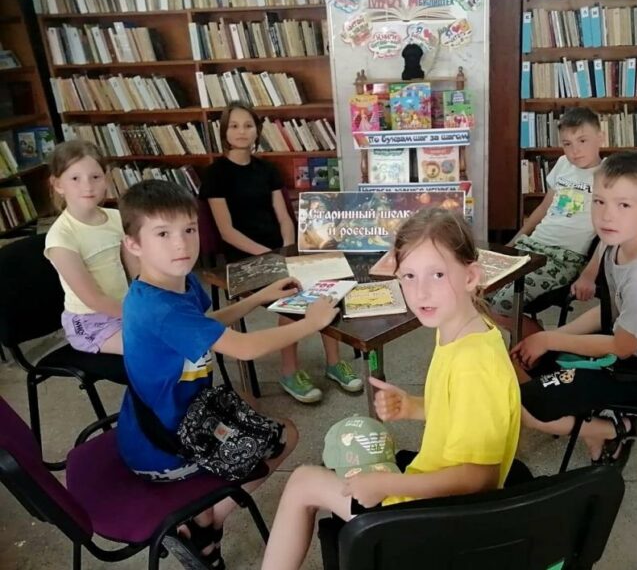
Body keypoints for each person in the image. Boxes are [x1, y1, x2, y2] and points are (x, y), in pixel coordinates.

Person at [261, 208, 522, 570]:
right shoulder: (464, 331)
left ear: (471, 276)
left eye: (437, 274)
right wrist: (414, 406)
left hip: (440, 520)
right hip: (443, 503)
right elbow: (463, 411)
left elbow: (480, 477)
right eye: (409, 276)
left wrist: (386, 485)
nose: (421, 291)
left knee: (303, 482)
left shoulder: (472, 363)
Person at [115, 180, 339, 568]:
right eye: (163, 234)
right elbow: (244, 347)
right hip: (164, 446)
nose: (181, 244)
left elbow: (206, 325)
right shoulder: (161, 308)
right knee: (286, 435)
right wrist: (311, 323)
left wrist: (259, 297)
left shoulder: (176, 282)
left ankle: (201, 524)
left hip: (176, 419)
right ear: (133, 244)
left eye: (188, 229)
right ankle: (206, 523)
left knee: (262, 422)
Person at [513, 151, 637, 466]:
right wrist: (551, 339)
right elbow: (610, 314)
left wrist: (548, 339)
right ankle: (594, 416)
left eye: (624, 205)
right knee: (529, 359)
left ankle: (614, 428)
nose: (606, 216)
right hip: (630, 347)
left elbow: (622, 347)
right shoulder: (621, 241)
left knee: (523, 407)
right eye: (599, 201)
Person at [200, 101, 361, 403]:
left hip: (279, 251)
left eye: (248, 125)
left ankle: (334, 363)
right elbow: (227, 232)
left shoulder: (267, 169)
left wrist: (286, 250)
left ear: (257, 130)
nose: (241, 131)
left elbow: (285, 218)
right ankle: (289, 371)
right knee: (293, 295)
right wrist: (270, 256)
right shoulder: (215, 174)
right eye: (234, 126)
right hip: (244, 260)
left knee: (329, 285)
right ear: (224, 131)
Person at [491, 107, 605, 336]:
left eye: (582, 140)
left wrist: (589, 274)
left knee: (502, 303)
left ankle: (542, 345)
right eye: (567, 143)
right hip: (531, 247)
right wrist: (514, 242)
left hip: (564, 258)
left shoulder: (608, 175)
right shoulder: (563, 163)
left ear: (600, 137)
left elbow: (609, 232)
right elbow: (544, 208)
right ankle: (531, 339)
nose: (575, 151)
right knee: (475, 289)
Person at [44, 140, 139, 356]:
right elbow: (92, 299)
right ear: (58, 185)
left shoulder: (116, 217)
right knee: (155, 348)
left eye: (95, 177)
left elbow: (137, 272)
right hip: (89, 323)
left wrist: (152, 302)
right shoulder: (61, 238)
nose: (87, 186)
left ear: (106, 179)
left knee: (175, 333)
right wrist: (140, 316)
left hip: (124, 307)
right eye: (75, 179)